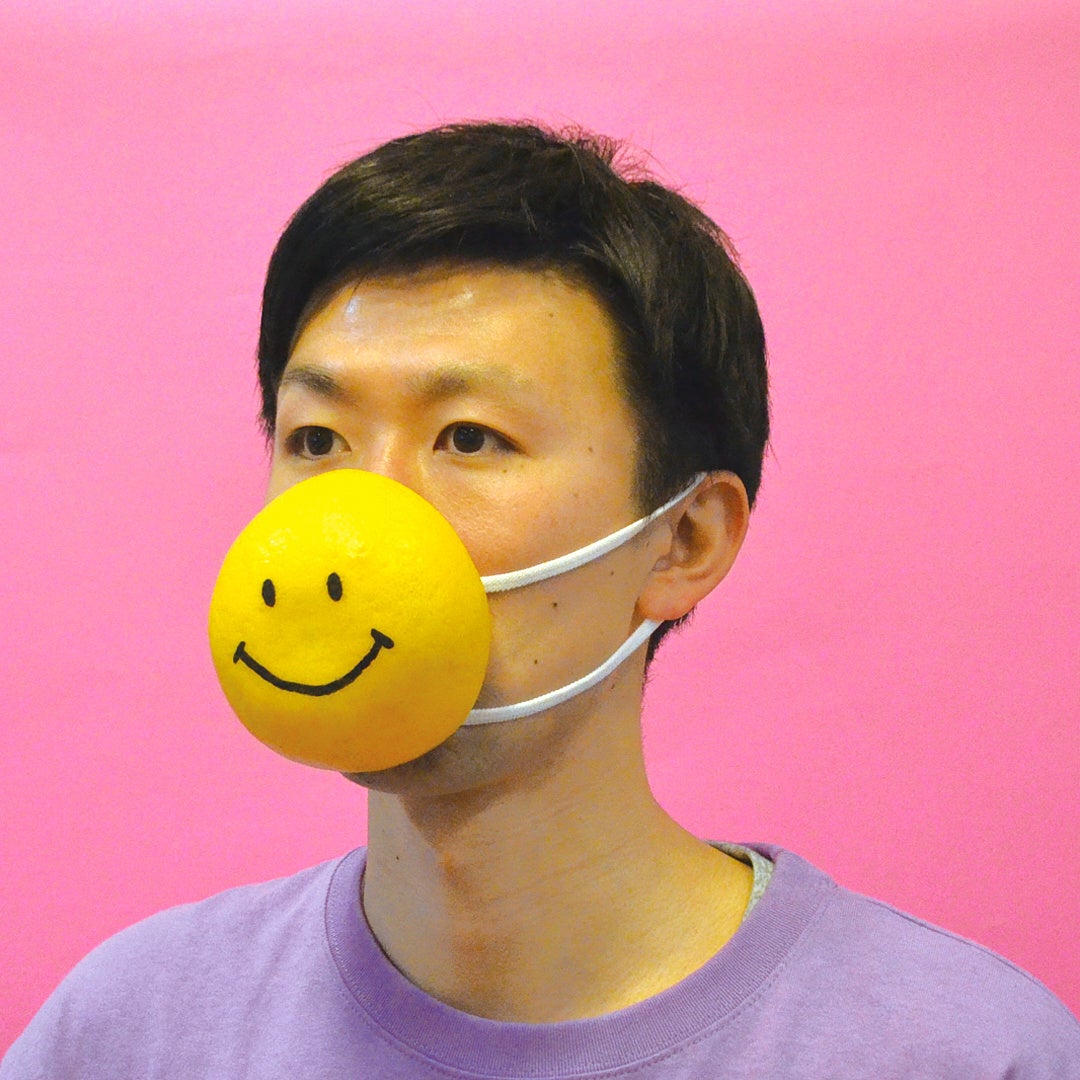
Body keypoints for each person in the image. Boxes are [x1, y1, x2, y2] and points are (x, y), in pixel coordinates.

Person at [4, 121, 1077, 1078]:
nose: (361, 517)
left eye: (469, 438)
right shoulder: (129, 1035)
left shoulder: (965, 1053)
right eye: (318, 439)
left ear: (686, 539)